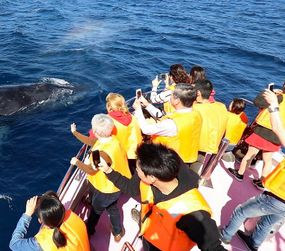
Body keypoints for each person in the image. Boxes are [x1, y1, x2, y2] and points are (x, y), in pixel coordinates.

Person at [99, 143, 226, 251]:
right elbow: (130, 188)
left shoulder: (194, 213)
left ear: (152, 178)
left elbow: (214, 247)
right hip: (149, 232)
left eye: (137, 170)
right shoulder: (154, 172)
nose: (136, 172)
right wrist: (108, 170)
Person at [220, 89, 285, 251]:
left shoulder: (281, 97)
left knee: (241, 211)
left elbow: (278, 127)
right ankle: (253, 243)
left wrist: (274, 102)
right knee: (269, 221)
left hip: (281, 194)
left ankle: (225, 236)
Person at [227, 74, 285, 189]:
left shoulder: (280, 97)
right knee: (267, 160)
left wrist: (272, 92)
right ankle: (262, 182)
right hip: (278, 136)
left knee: (250, 155)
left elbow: (258, 102)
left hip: (263, 131)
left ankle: (239, 174)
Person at [70, 114, 131, 242]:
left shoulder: (101, 155)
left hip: (106, 190)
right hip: (116, 186)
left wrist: (77, 162)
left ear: (95, 132)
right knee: (112, 208)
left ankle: (89, 230)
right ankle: (118, 232)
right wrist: (75, 133)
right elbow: (92, 141)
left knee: (95, 212)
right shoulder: (112, 139)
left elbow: (91, 170)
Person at [134, 83, 203, 165]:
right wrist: (147, 105)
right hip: (188, 157)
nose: (170, 97)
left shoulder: (171, 123)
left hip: (170, 163)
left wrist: (138, 110)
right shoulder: (196, 114)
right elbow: (164, 116)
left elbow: (146, 130)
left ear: (177, 101)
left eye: (171, 95)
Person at [71, 92, 142, 162]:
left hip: (119, 156)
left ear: (109, 108)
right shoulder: (133, 117)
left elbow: (93, 140)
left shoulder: (107, 121)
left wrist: (75, 132)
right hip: (137, 154)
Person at [9, 191, 90, 251]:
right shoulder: (74, 218)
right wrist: (50, 200)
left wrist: (27, 214)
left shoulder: (40, 244)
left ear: (40, 221)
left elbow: (13, 244)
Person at [191, 79, 229, 174]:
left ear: (198, 93)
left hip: (192, 146)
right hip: (207, 147)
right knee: (193, 171)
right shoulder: (221, 107)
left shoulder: (194, 109)